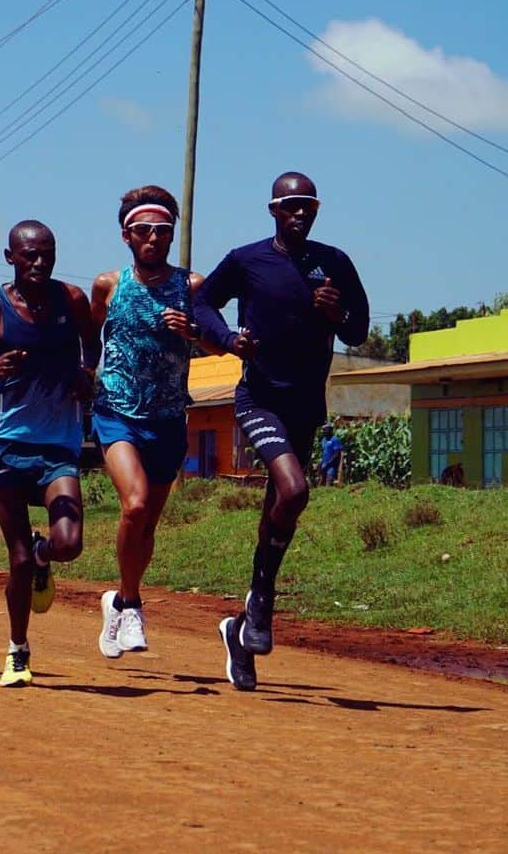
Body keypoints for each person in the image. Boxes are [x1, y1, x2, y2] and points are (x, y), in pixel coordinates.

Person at [194, 171, 369, 691]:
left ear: (316, 209)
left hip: (305, 406)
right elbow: (202, 301)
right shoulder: (247, 260)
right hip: (259, 398)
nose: (299, 212)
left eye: (307, 204)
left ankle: (243, 626)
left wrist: (336, 313)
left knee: (283, 506)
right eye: (290, 204)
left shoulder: (334, 263)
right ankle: (263, 599)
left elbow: (357, 330)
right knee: (294, 489)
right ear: (272, 209)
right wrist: (227, 338)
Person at [0, 220, 99, 687]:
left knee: (68, 542)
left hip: (58, 446)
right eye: (29, 255)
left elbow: (92, 341)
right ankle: (18, 651)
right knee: (18, 560)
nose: (39, 262)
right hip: (7, 446)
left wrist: (85, 372)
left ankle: (46, 557)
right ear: (10, 258)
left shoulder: (71, 300)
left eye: (47, 253)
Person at [90, 185, 218, 659]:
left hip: (168, 418)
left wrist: (195, 331)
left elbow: (220, 342)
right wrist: (85, 373)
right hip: (117, 411)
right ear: (126, 236)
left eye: (162, 231)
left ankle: (118, 601)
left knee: (148, 528)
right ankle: (133, 607)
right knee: (135, 507)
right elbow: (90, 333)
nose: (153, 238)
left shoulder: (192, 287)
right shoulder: (108, 285)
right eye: (143, 230)